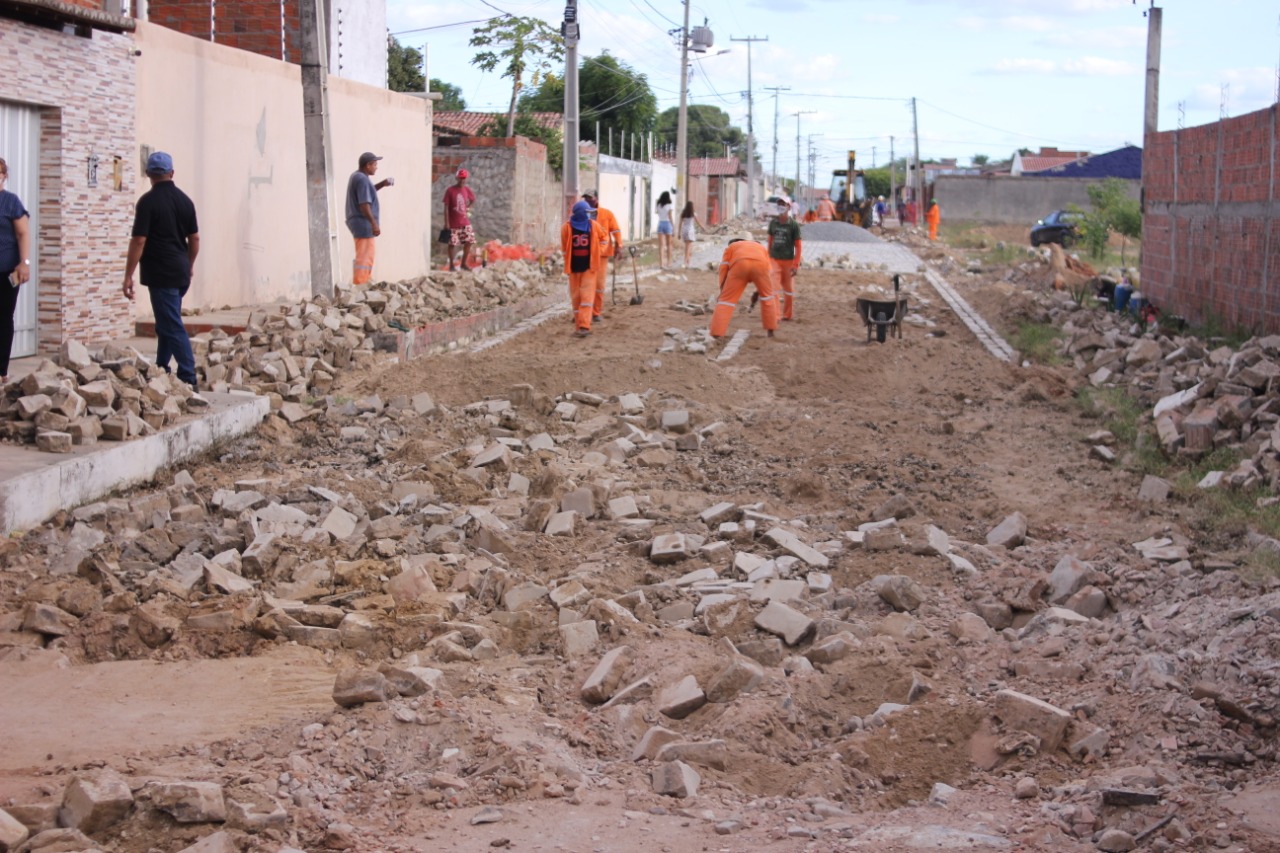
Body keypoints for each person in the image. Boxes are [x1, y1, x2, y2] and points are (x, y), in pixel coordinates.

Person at [122, 151, 199, 389]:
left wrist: (128, 275)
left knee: (171, 323)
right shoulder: (185, 201)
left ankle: (188, 375)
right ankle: (162, 366)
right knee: (166, 321)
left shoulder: (147, 202)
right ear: (172, 173)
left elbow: (139, 241)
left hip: (161, 273)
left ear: (148, 174)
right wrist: (190, 264)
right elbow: (194, 238)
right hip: (180, 271)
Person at [710, 233, 777, 339]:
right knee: (768, 297)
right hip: (761, 267)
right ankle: (770, 331)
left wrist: (723, 291)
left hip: (740, 265)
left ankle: (716, 333)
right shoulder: (761, 248)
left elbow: (723, 269)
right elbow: (769, 271)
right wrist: (759, 291)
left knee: (726, 301)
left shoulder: (731, 247)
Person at [0, 158, 31, 386]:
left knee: (3, 318)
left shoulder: (11, 202)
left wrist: (24, 262)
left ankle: (1, 370)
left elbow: (23, 234)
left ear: (4, 176)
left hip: (6, 271)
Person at [344, 152, 393, 284]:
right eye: (375, 164)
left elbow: (367, 192)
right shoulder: (362, 179)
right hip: (363, 222)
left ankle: (364, 281)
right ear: (368, 165)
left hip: (358, 221)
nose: (376, 167)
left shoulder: (358, 176)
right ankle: (361, 284)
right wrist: (374, 223)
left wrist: (382, 184)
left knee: (365, 254)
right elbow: (364, 205)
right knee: (365, 256)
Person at [561, 200, 607, 338]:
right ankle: (578, 324)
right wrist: (567, 263)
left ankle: (584, 326)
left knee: (587, 298)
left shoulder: (594, 226)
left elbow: (604, 238)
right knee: (576, 297)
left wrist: (598, 251)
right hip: (574, 268)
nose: (589, 215)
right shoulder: (566, 228)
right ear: (581, 213)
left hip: (589, 268)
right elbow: (564, 248)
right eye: (587, 212)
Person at [582, 188, 621, 322]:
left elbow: (616, 230)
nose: (588, 201)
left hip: (602, 254)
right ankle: (582, 313)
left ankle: (596, 312)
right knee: (585, 285)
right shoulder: (580, 213)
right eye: (586, 198)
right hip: (584, 253)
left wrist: (619, 245)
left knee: (599, 285)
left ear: (596, 199)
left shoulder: (606, 214)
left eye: (590, 198)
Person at [767, 201, 802, 322]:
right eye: (779, 204)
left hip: (788, 261)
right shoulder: (773, 223)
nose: (781, 207)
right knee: (774, 288)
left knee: (789, 290)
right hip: (774, 260)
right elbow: (770, 241)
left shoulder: (793, 225)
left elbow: (798, 246)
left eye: (783, 204)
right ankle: (776, 315)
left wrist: (795, 264)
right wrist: (768, 258)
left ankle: (787, 314)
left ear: (789, 207)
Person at [443, 168, 477, 271]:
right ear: (457, 178)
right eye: (460, 178)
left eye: (464, 178)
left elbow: (473, 199)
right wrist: (446, 222)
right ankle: (452, 266)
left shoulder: (466, 190)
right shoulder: (450, 190)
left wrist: (468, 208)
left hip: (464, 221)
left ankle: (463, 264)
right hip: (453, 223)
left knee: (469, 241)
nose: (462, 180)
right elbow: (445, 208)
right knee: (452, 244)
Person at [678, 201, 703, 269]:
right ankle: (685, 262)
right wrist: (703, 228)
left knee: (688, 246)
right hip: (690, 230)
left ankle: (688, 261)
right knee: (688, 247)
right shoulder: (693, 214)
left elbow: (680, 224)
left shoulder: (683, 214)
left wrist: (678, 233)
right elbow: (698, 222)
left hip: (684, 230)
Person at [655, 191, 674, 269]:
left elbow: (657, 213)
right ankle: (669, 262)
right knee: (669, 245)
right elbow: (670, 216)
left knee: (661, 246)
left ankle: (661, 263)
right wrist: (673, 226)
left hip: (660, 223)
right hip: (667, 224)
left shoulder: (658, 205)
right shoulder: (669, 206)